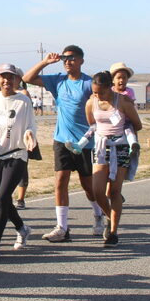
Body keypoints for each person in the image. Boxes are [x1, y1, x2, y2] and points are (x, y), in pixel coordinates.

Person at [24, 46, 105, 241]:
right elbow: (27, 78)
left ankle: (98, 214)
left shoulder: (88, 83)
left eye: (72, 58)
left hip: (85, 142)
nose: (67, 62)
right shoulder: (58, 80)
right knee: (60, 181)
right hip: (62, 140)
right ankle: (62, 227)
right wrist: (45, 62)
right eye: (65, 59)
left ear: (81, 61)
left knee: (87, 185)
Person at [0, 64, 38, 259]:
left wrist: (29, 135)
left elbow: (30, 126)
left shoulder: (23, 101)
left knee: (1, 199)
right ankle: (22, 228)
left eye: (11, 77)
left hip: (16, 155)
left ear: (17, 80)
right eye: (3, 77)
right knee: (1, 199)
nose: (6, 81)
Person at [81, 70, 143, 244]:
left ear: (110, 87)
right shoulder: (91, 103)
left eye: (101, 92)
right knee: (97, 190)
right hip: (101, 148)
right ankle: (110, 217)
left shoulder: (122, 101)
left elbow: (137, 124)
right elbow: (92, 124)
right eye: (94, 92)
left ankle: (113, 231)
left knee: (115, 191)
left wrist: (126, 133)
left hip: (121, 148)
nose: (98, 96)